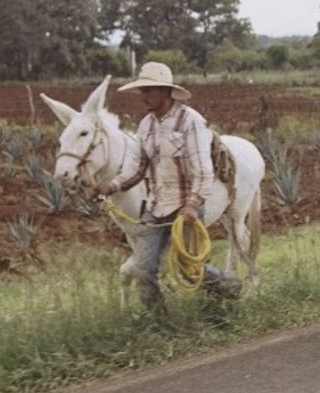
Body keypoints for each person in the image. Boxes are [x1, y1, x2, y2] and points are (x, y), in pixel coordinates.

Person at [95, 61, 237, 310]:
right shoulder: (145, 126)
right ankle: (159, 325)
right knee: (143, 268)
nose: (143, 97)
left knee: (190, 270)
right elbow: (137, 168)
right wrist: (113, 185)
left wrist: (193, 204)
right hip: (156, 206)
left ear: (165, 91)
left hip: (185, 207)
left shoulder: (189, 122)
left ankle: (225, 291)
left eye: (148, 91)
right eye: (142, 91)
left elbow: (203, 171)